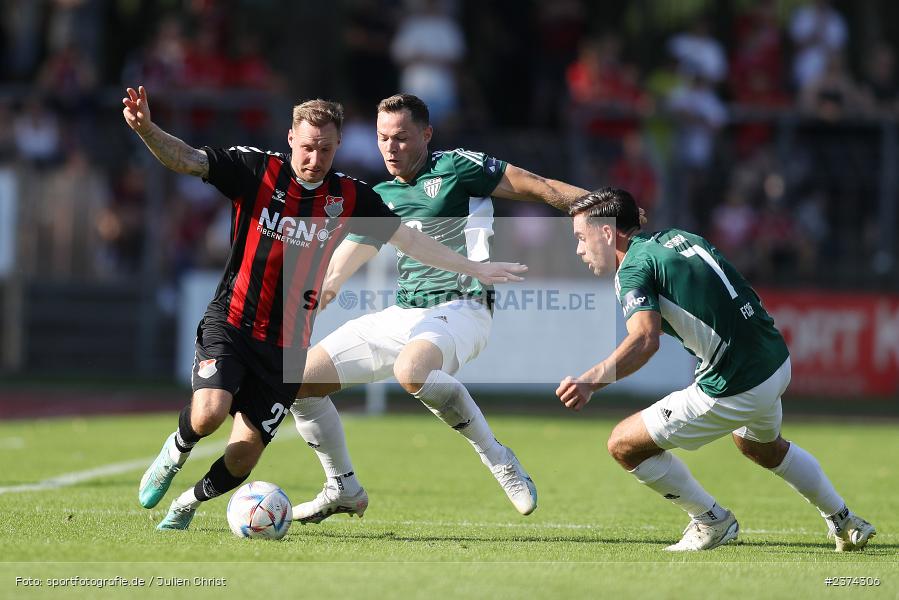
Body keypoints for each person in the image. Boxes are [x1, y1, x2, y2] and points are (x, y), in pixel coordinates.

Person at [122, 85, 527, 530]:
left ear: (338, 146)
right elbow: (188, 159)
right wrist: (147, 131)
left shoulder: (350, 196)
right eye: (308, 147)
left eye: (326, 149)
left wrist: (472, 267)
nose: (315, 158)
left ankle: (186, 505)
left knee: (242, 457)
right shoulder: (255, 169)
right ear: (291, 138)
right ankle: (175, 451)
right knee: (209, 414)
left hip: (285, 347)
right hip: (233, 322)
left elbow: (410, 240)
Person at [289, 93, 589, 523]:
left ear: (426, 134)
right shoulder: (380, 196)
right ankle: (343, 487)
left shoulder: (456, 168)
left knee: (411, 371)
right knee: (296, 380)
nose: (390, 148)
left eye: (401, 137)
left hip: (464, 306)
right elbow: (342, 264)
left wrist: (605, 206)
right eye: (382, 138)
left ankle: (499, 458)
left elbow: (538, 185)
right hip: (404, 314)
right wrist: (319, 295)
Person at [556, 187, 876, 552]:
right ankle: (844, 520)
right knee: (761, 447)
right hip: (775, 360)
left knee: (624, 445)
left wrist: (589, 382)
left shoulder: (632, 267)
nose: (579, 249)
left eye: (581, 237)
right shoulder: (678, 237)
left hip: (736, 383)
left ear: (607, 233)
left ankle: (711, 520)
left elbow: (645, 340)